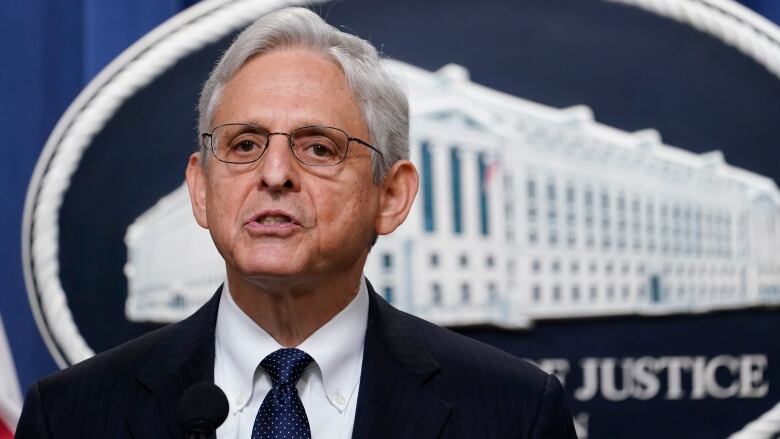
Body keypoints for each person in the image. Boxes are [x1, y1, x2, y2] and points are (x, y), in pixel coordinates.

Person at [16, 7, 577, 438]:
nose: (275, 174)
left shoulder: (513, 413)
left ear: (391, 195)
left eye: (319, 148)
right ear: (202, 189)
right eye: (244, 144)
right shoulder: (70, 416)